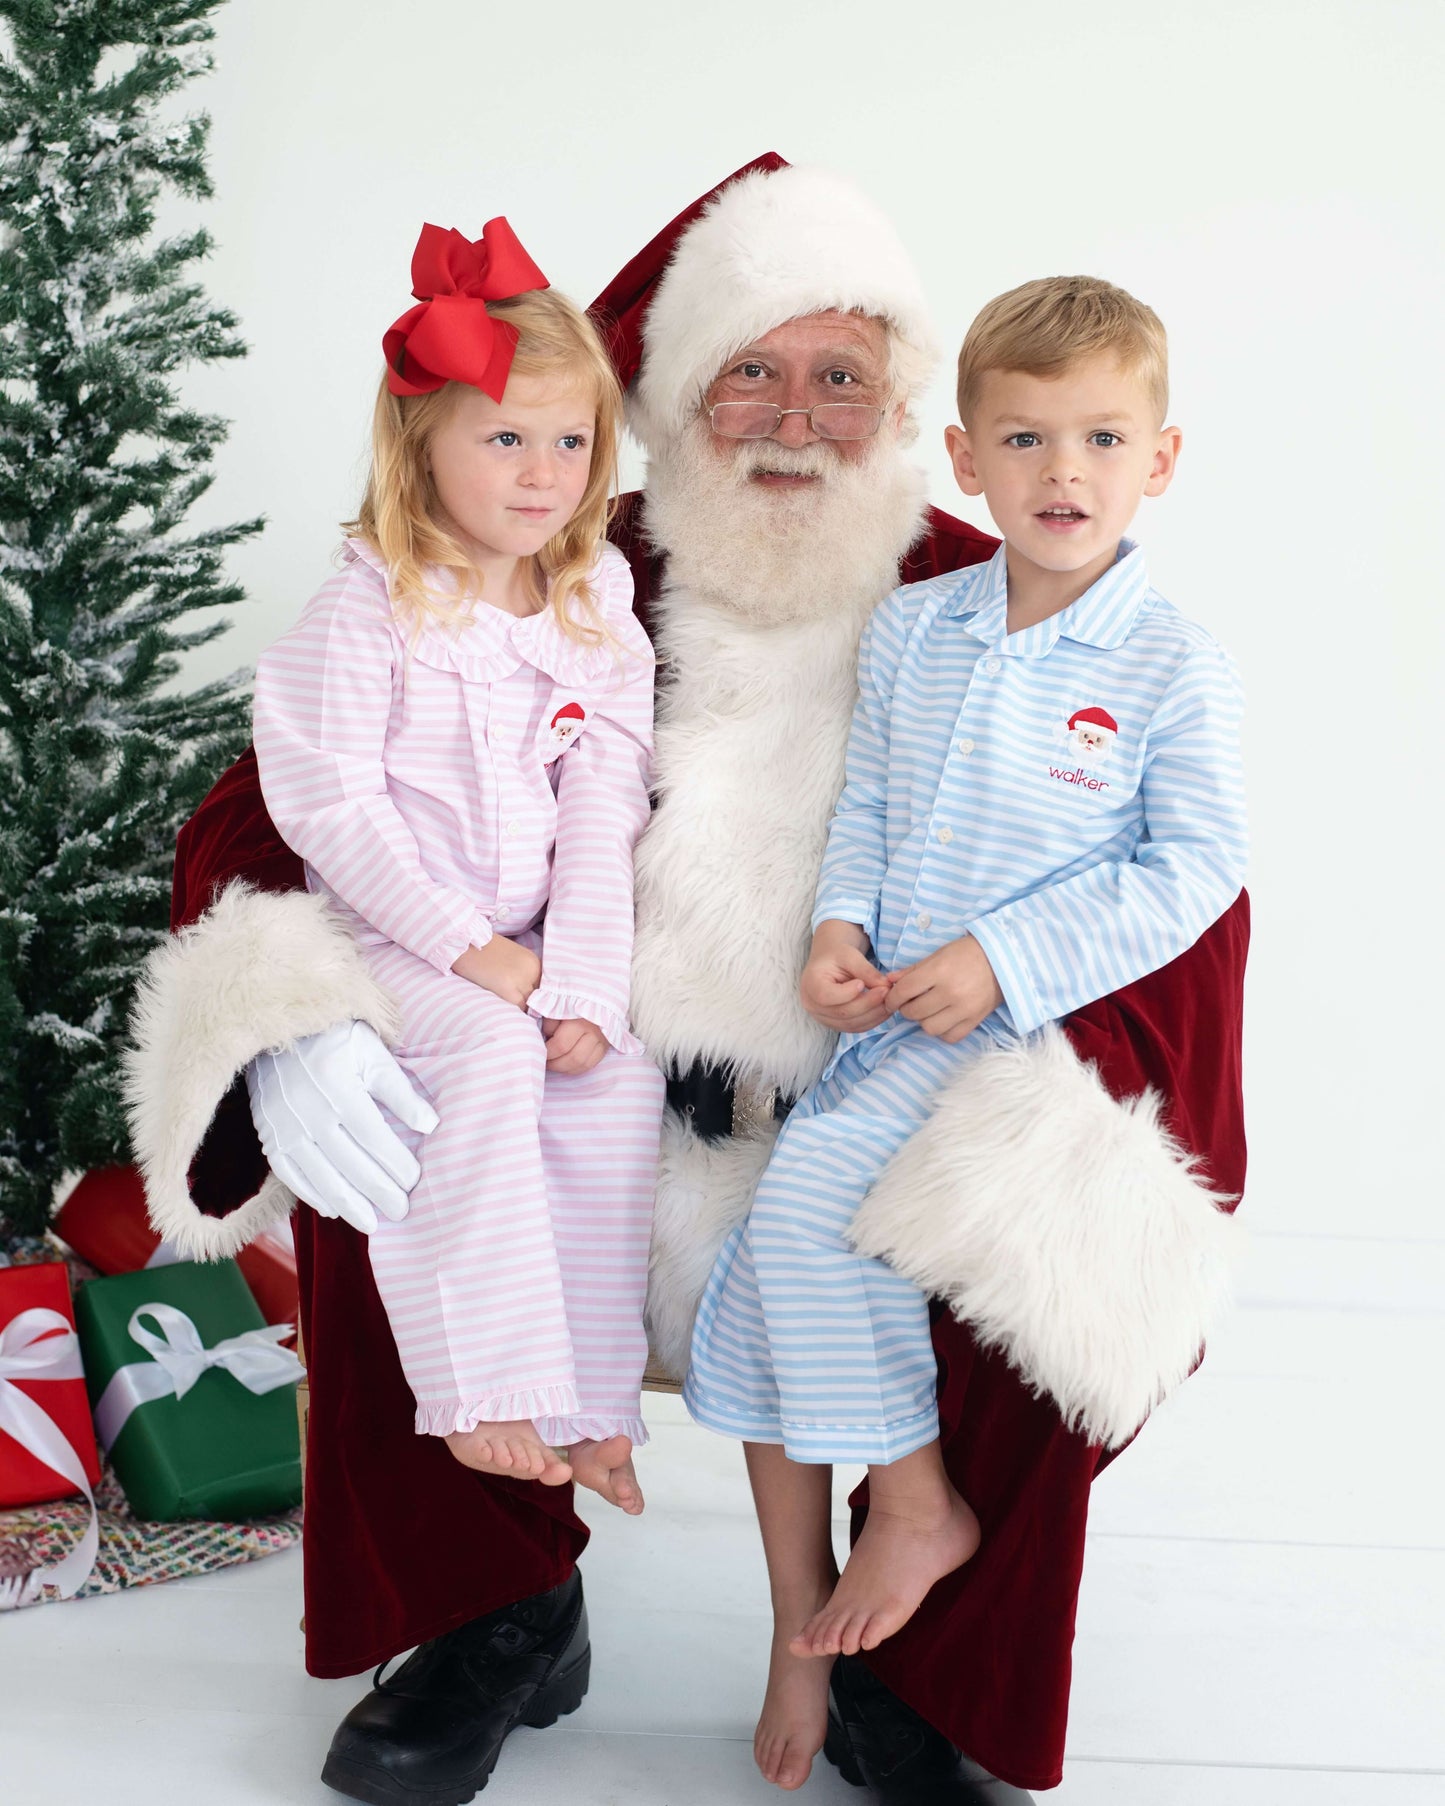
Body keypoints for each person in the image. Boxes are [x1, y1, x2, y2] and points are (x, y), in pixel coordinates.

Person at [125, 157, 1249, 1805]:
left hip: (867, 1106)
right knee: (405, 1118)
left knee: (1035, 1199)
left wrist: (1048, 1080)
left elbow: (1183, 875)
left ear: (909, 411)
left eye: (839, 376)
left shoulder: (981, 582)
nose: (792, 416)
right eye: (748, 370)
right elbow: (271, 789)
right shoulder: (552, 555)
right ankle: (494, 1604)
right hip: (583, 1087)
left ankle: (919, 1673)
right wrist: (280, 1014)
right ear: (666, 396)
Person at [683, 275, 1248, 1787]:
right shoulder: (918, 628)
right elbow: (866, 803)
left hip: (1020, 1040)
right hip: (881, 1032)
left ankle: (921, 1502)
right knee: (754, 1293)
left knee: (806, 1209)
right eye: (1024, 439)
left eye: (1101, 439)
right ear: (962, 458)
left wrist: (1003, 956)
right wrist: (836, 931)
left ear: (1161, 461)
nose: (1062, 474)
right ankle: (796, 1625)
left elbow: (1192, 868)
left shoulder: (1167, 663)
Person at [249, 220, 663, 1514]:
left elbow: (604, 795)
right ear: (420, 443)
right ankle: (478, 1385)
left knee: (614, 1082)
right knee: (482, 1055)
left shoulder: (592, 603)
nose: (543, 473)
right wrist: (467, 949)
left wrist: (583, 980)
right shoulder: (372, 603)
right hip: (394, 941)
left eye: (571, 441)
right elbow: (332, 806)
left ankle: (593, 1404)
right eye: (504, 438)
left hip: (534, 940)